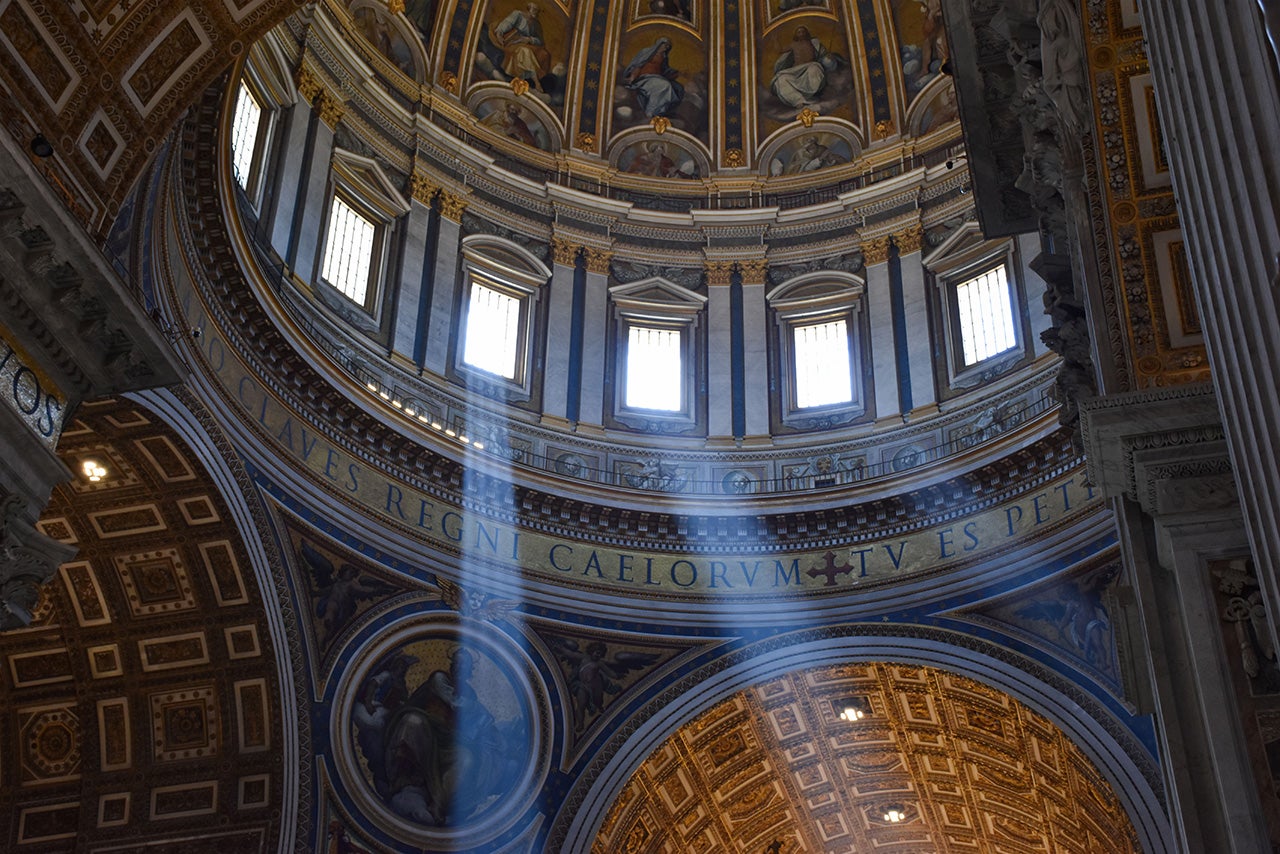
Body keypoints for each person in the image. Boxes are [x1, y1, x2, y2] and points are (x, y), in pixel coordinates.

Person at [770, 26, 842, 109]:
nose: (801, 34)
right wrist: (775, 40)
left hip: (810, 66)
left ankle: (809, 95)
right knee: (781, 79)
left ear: (807, 33)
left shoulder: (814, 43)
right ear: (796, 35)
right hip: (795, 70)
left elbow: (823, 54)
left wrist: (828, 57)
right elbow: (780, 50)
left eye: (803, 31)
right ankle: (798, 100)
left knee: (815, 69)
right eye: (799, 32)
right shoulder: (793, 44)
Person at [492, 3, 550, 91]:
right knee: (525, 51)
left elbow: (540, 40)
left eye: (537, 11)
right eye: (534, 10)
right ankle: (537, 82)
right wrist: (500, 32)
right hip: (513, 42)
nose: (536, 13)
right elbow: (507, 23)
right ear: (528, 9)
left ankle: (523, 81)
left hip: (527, 44)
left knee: (542, 54)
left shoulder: (536, 24)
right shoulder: (518, 14)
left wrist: (530, 39)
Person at [623, 37, 684, 118]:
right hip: (645, 78)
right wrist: (632, 78)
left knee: (677, 88)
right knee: (664, 85)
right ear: (659, 44)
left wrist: (677, 72)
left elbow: (665, 70)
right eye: (665, 45)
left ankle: (660, 111)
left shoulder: (664, 57)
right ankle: (650, 111)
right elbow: (638, 65)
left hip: (657, 78)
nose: (666, 48)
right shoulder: (647, 52)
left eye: (668, 46)